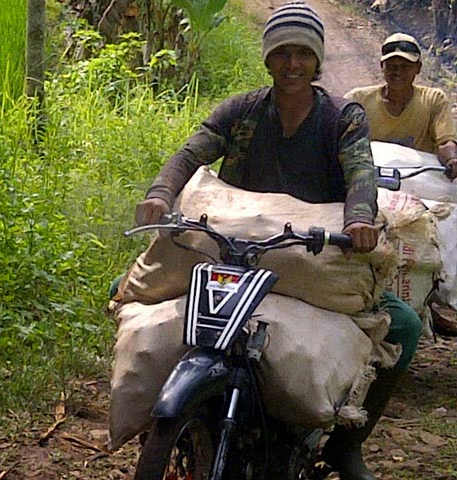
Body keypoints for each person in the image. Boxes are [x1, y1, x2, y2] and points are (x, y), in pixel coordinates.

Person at [133, 3, 422, 480]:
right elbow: (191, 152)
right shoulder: (241, 112)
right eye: (282, 53)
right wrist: (161, 193)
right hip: (234, 253)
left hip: (313, 259)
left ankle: (345, 446)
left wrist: (358, 221)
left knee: (404, 327)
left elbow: (361, 175)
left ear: (317, 61)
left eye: (303, 54)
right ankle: (165, 423)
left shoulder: (342, 118)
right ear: (267, 58)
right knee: (129, 293)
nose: (292, 64)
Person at [345, 32, 457, 179]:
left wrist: (451, 159)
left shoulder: (434, 100)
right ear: (382, 66)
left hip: (420, 180)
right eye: (392, 66)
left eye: (405, 66)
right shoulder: (358, 100)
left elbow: (445, 142)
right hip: (369, 178)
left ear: (418, 68)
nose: (397, 72)